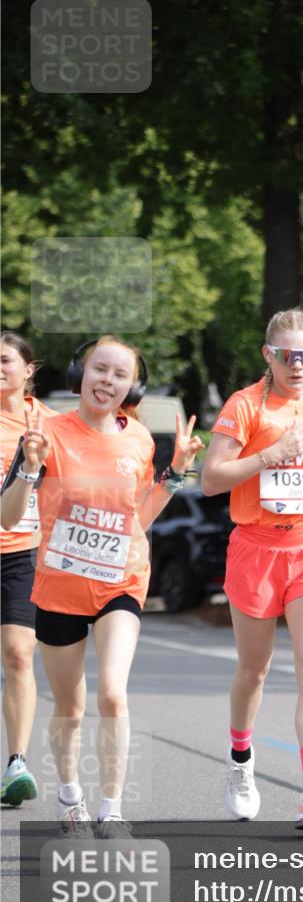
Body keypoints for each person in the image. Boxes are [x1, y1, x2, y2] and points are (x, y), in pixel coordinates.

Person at [1, 336, 204, 835]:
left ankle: (111, 810)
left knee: (113, 693)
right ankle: (69, 796)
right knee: (69, 706)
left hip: (121, 581)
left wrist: (175, 472)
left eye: (119, 374)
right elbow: (7, 516)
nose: (108, 381)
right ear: (81, 373)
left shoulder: (138, 439)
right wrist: (28, 470)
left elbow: (141, 516)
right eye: (100, 370)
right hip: (59, 585)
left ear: (130, 386)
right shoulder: (45, 431)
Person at [202, 308, 303, 831]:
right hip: (256, 548)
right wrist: (273, 454)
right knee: (255, 669)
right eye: (287, 355)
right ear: (268, 355)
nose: (298, 365)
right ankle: (241, 761)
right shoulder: (244, 406)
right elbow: (212, 479)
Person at [0, 332, 56, 806]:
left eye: (4, 360)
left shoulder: (50, 424)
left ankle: (16, 761)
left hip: (23, 552)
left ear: (28, 369)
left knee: (19, 654)